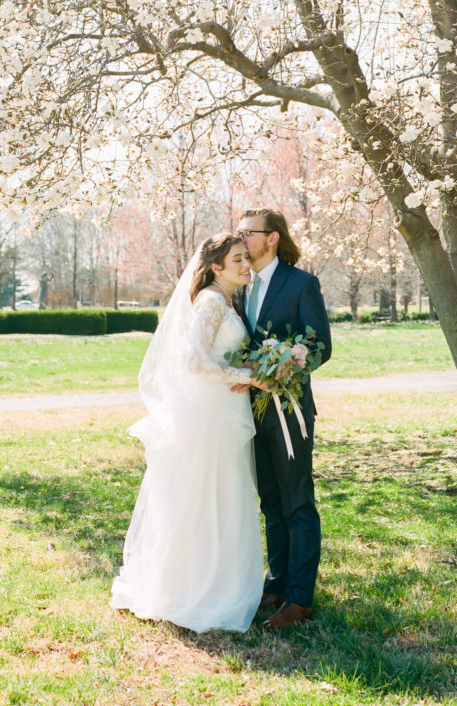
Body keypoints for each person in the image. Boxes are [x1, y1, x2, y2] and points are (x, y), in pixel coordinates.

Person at [110, 233, 269, 633]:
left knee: (221, 495)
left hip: (220, 409)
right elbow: (195, 361)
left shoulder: (227, 300)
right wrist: (248, 377)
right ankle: (193, 590)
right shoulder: (212, 301)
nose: (245, 265)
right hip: (207, 414)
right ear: (216, 267)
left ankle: (218, 583)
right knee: (204, 497)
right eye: (237, 260)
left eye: (245, 258)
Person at [233, 208, 332, 631]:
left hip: (289, 409)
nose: (241, 240)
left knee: (296, 501)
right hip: (249, 410)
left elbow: (321, 344)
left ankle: (300, 598)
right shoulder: (239, 286)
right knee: (270, 499)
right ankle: (277, 582)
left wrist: (283, 367)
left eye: (247, 233)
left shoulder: (302, 283)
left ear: (271, 238)